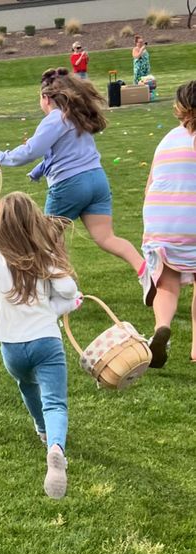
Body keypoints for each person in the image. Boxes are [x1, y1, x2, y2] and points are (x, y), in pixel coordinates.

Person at [0, 67, 155, 306]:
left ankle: (67, 293)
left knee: (46, 242)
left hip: (69, 186)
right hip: (97, 180)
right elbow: (64, 150)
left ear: (45, 98)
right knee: (107, 237)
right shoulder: (75, 116)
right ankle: (145, 273)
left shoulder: (54, 119)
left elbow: (29, 151)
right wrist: (38, 171)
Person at [0, 191, 83, 500]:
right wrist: (66, 302)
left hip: (12, 347)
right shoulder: (44, 257)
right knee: (55, 400)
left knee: (26, 385)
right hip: (47, 341)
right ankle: (56, 447)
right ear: (33, 223)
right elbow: (69, 291)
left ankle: (41, 430)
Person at [142, 80, 196, 368]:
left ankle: (162, 326)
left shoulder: (166, 141)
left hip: (161, 221)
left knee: (167, 284)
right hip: (192, 220)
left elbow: (149, 186)